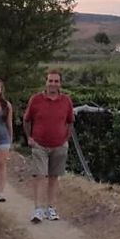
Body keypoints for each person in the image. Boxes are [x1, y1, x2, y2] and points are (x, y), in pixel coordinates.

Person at [22, 70, 74, 223]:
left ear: (60, 83)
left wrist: (66, 140)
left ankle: (51, 208)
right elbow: (27, 120)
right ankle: (38, 209)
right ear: (46, 82)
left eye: (56, 81)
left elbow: (70, 121)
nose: (53, 84)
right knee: (40, 176)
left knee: (53, 177)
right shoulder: (36, 99)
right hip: (39, 145)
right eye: (50, 81)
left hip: (59, 146)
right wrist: (29, 137)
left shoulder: (66, 101)